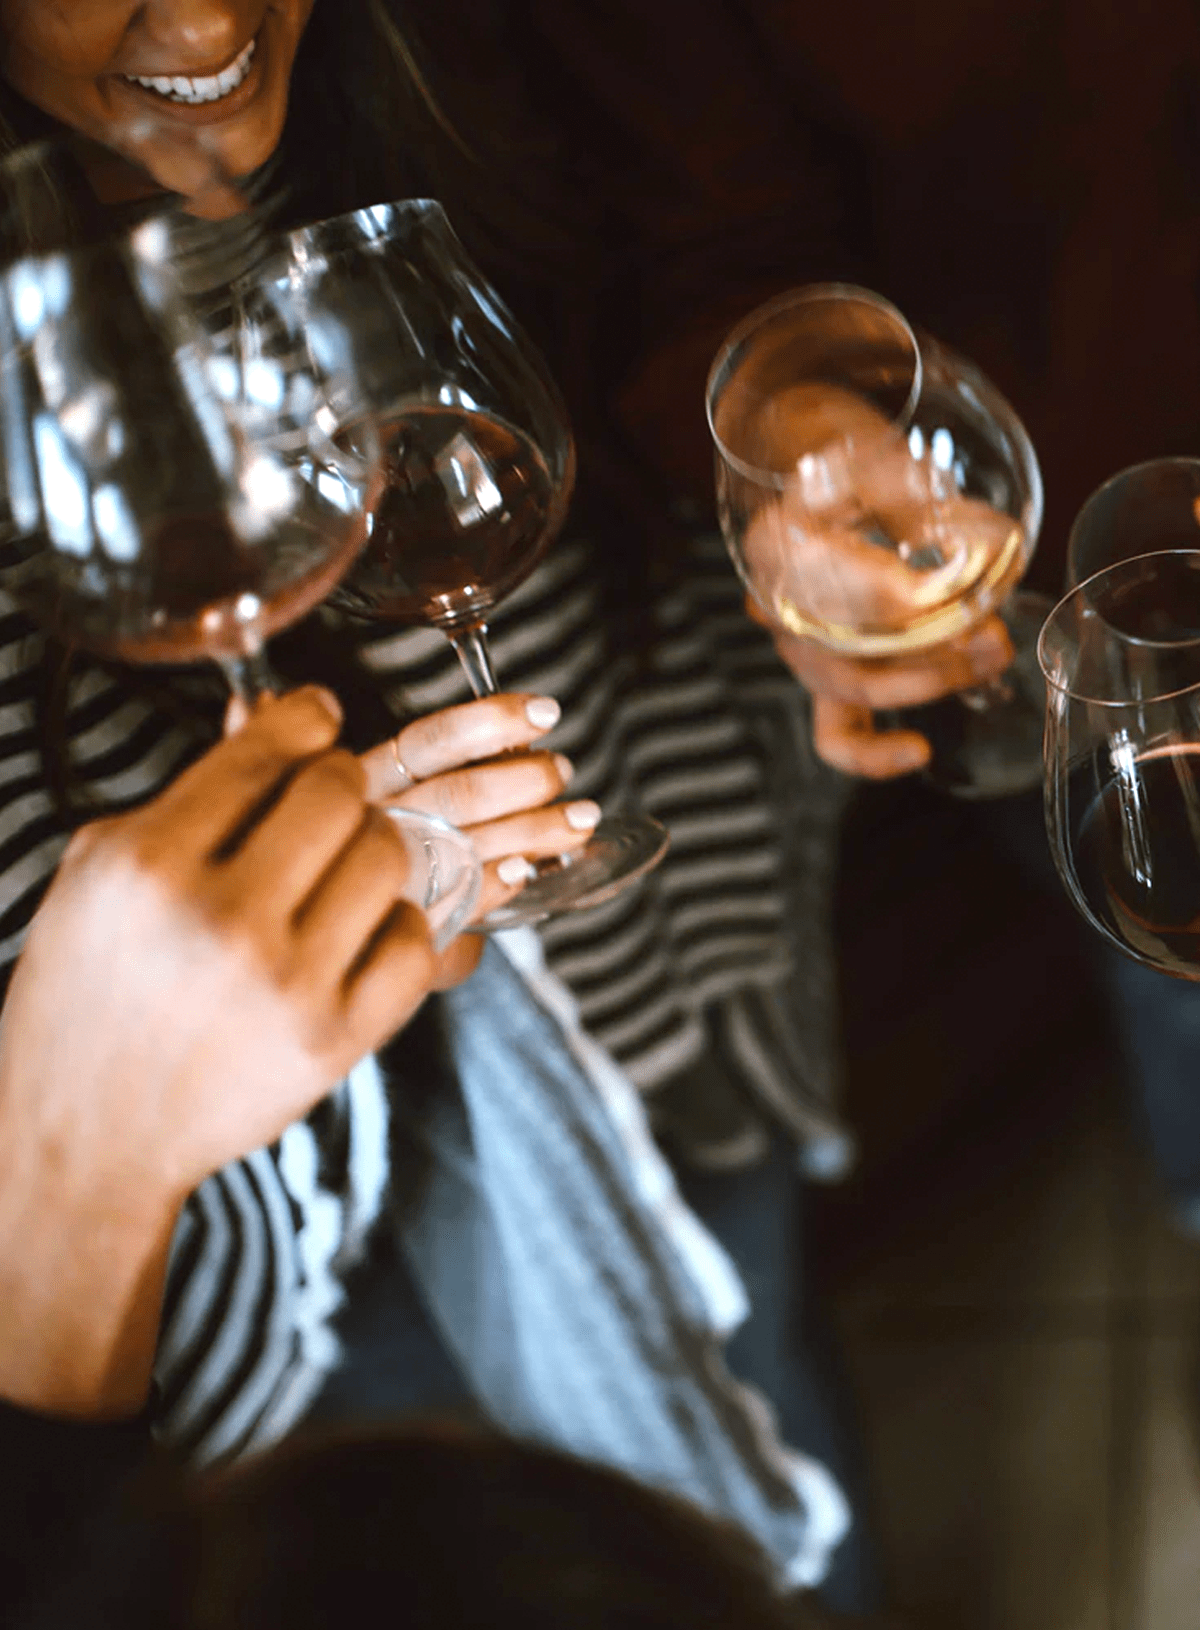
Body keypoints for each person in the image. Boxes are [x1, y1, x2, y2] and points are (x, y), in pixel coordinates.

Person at [0, 0, 1020, 1619]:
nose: (202, 15)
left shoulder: (449, 80)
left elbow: (706, 271)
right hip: (250, 1267)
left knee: (765, 1469)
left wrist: (779, 464)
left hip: (639, 1004)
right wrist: (73, 1182)